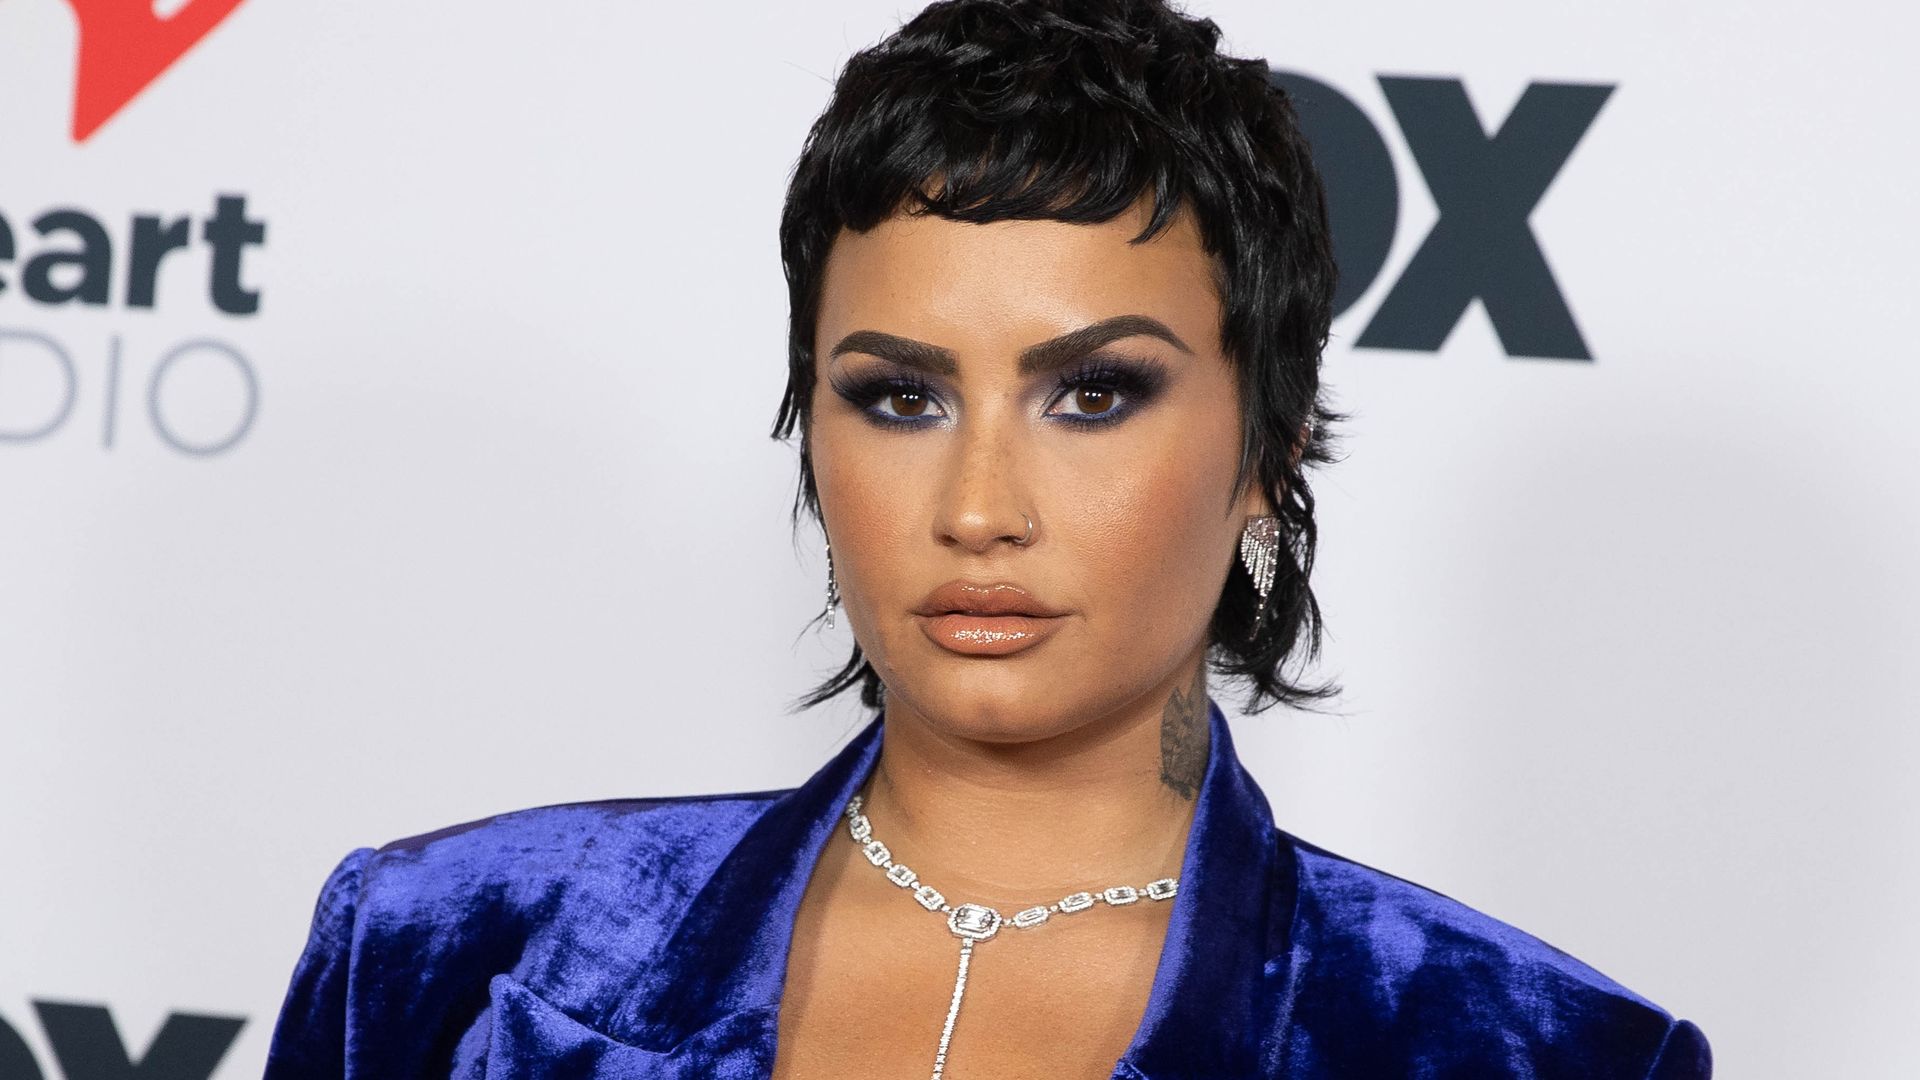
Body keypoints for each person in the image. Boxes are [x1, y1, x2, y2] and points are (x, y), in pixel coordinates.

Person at [262, 1, 1711, 1076]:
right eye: (900, 397)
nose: (977, 508)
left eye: (1095, 394)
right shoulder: (445, 956)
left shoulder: (1527, 1050)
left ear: (1269, 452)